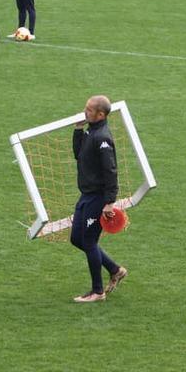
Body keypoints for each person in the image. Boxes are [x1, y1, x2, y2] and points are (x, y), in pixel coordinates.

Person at [70, 95, 127, 303]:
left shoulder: (102, 137)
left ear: (100, 114)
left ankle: (97, 291)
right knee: (77, 238)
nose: (85, 112)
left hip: (98, 198)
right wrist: (77, 130)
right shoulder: (91, 132)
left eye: (89, 110)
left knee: (89, 241)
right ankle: (114, 269)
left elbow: (110, 170)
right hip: (86, 195)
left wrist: (109, 202)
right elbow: (79, 155)